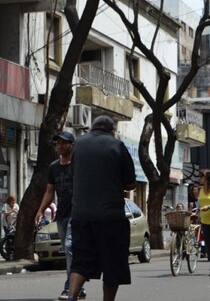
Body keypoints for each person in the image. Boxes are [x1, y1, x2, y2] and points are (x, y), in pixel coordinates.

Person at [68, 116, 136, 301]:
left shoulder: (79, 145)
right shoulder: (117, 145)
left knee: (81, 261)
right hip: (110, 217)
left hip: (81, 216)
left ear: (92, 128)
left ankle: (71, 296)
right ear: (112, 129)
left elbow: (73, 174)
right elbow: (130, 182)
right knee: (112, 265)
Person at [34, 130, 86, 300]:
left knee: (70, 247)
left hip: (77, 213)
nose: (60, 146)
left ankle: (69, 288)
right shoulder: (54, 167)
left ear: (72, 144)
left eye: (64, 142)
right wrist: (41, 210)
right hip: (62, 214)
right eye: (58, 143)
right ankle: (80, 287)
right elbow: (50, 191)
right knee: (69, 250)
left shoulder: (79, 164)